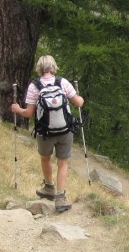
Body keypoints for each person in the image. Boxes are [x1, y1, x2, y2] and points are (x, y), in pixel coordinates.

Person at [9, 55, 85, 212]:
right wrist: (81, 98)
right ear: (53, 66)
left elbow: (29, 113)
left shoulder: (34, 86)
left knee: (45, 158)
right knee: (63, 162)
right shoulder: (62, 82)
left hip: (45, 132)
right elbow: (78, 102)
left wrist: (17, 109)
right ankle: (60, 198)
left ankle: (49, 187)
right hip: (65, 130)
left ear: (39, 68)